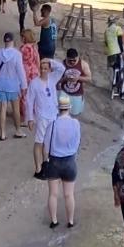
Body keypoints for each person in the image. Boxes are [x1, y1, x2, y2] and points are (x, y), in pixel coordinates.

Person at [25, 55, 65, 179]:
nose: (43, 71)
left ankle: (46, 164)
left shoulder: (52, 79)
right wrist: (30, 118)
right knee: (39, 142)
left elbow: (62, 69)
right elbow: (29, 101)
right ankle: (38, 168)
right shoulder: (35, 83)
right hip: (42, 116)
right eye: (41, 68)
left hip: (52, 114)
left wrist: (50, 61)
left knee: (48, 142)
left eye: (46, 68)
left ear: (49, 69)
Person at [45, 94, 81, 229]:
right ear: (69, 108)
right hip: (70, 160)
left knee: (53, 194)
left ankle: (54, 221)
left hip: (54, 161)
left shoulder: (53, 124)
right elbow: (77, 142)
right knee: (69, 194)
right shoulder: (75, 123)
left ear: (58, 108)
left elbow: (46, 145)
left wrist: (45, 160)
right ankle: (70, 221)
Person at [0, 32, 27, 140]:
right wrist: (23, 85)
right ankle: (18, 130)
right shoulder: (17, 54)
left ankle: (2, 133)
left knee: (3, 108)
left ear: (4, 41)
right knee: (15, 109)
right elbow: (20, 71)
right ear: (13, 41)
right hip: (13, 84)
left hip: (1, 84)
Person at [58, 46, 91, 116]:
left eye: (74, 60)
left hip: (77, 94)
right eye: (70, 60)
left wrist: (78, 78)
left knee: (75, 114)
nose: (72, 62)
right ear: (66, 58)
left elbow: (89, 78)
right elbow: (56, 81)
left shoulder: (83, 64)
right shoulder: (62, 64)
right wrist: (65, 78)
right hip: (64, 93)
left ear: (77, 57)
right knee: (63, 115)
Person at [104, 16, 124, 98]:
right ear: (115, 21)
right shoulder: (118, 29)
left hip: (110, 54)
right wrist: (122, 52)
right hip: (117, 52)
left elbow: (106, 43)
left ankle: (115, 86)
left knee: (115, 70)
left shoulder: (106, 31)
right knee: (120, 70)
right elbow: (120, 41)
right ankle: (120, 89)